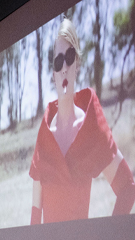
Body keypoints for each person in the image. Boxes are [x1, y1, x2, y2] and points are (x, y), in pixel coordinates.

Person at [30, 17, 135, 224]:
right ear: (53, 73)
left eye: (69, 57)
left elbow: (128, 188)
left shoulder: (90, 126)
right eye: (58, 61)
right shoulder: (44, 134)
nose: (64, 68)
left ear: (77, 63)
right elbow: (35, 216)